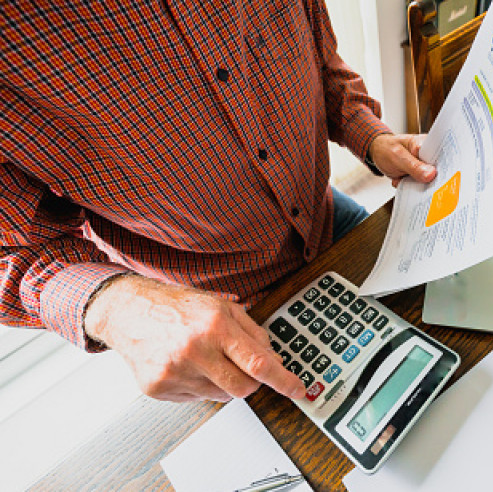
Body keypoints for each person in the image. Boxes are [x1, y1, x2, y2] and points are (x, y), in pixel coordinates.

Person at [0, 1, 436, 403]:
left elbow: (320, 61)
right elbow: (11, 252)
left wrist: (370, 135)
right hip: (218, 316)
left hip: (334, 223)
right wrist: (117, 307)